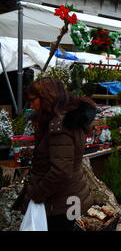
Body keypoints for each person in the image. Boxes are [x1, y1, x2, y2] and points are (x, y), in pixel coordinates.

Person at [25, 78, 96, 231]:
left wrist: (37, 193)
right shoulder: (67, 119)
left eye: (32, 100)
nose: (31, 106)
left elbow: (61, 171)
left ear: (46, 97)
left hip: (62, 203)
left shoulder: (60, 126)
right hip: (71, 198)